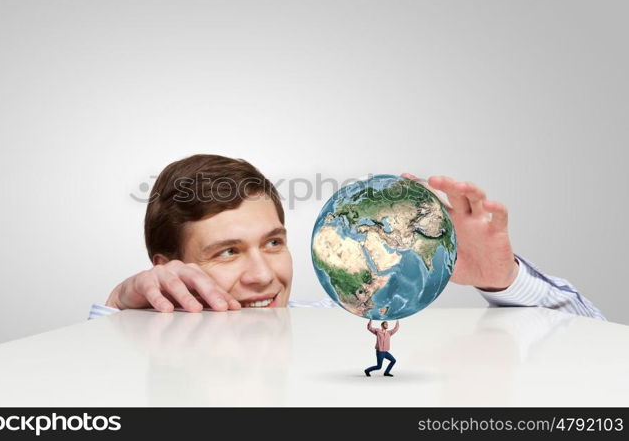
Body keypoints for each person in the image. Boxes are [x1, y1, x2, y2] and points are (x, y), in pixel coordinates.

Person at [88, 154, 605, 320]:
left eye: (273, 242)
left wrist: (501, 280)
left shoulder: (357, 319)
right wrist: (118, 308)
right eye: (227, 252)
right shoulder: (145, 350)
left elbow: (594, 357)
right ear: (166, 266)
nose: (266, 276)